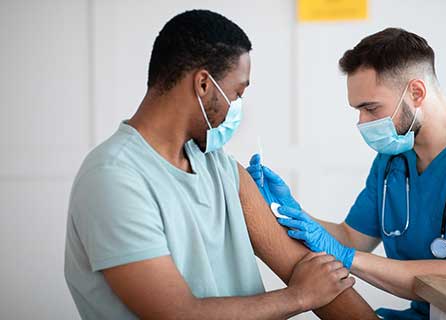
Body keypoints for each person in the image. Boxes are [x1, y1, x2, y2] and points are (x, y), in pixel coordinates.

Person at [64, 9, 378, 319]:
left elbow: (303, 267)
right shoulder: (113, 179)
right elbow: (177, 314)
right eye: (236, 93)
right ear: (203, 84)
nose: (237, 108)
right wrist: (297, 297)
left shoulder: (220, 167)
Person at [248, 27, 446, 319]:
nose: (362, 122)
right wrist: (286, 211)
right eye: (358, 111)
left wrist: (347, 257)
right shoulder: (393, 158)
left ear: (416, 92)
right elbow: (352, 236)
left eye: (371, 108)